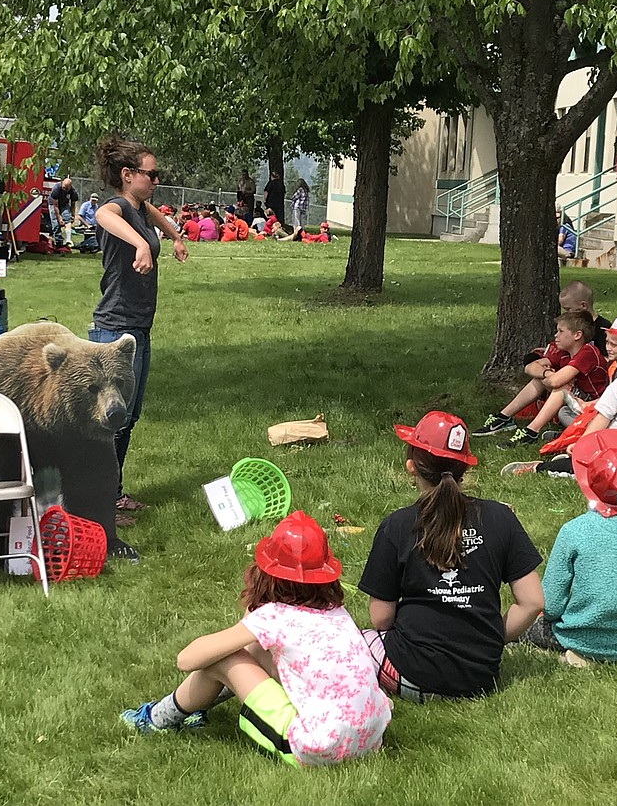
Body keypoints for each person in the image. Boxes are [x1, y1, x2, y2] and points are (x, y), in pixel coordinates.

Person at [120, 511, 392, 767]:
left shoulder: (274, 616)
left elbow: (187, 659)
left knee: (225, 658)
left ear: (267, 573)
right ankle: (197, 706)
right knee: (255, 649)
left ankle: (157, 718)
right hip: (369, 737)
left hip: (316, 747)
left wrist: (248, 621)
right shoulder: (336, 612)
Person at [358, 411, 544, 701]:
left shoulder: (397, 525)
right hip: (480, 678)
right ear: (464, 469)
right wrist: (490, 638)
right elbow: (533, 602)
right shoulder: (500, 518)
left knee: (344, 640)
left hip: (411, 674)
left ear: (411, 466)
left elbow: (381, 619)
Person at [90, 135, 188, 529]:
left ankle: (111, 493)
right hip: (115, 329)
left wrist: (176, 237)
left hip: (138, 328)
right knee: (111, 418)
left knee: (129, 416)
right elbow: (102, 217)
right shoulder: (115, 208)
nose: (156, 180)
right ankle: (97, 501)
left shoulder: (140, 207)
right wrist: (140, 246)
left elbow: (156, 215)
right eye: (151, 174)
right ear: (128, 175)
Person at [520, 430, 617, 669]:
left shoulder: (573, 531)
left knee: (522, 631)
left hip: (575, 634)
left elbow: (550, 605)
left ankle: (580, 653)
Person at [501, 321, 617, 477]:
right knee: (591, 473)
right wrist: (582, 444)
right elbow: (601, 419)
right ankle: (538, 467)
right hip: (611, 449)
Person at [474, 309, 608, 444]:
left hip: (595, 409)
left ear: (577, 335)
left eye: (561, 331)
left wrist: (551, 377)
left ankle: (532, 431)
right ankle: (503, 418)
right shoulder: (564, 352)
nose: (556, 335)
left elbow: (556, 382)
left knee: (563, 388)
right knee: (541, 380)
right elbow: (530, 367)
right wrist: (547, 373)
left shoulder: (588, 352)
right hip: (576, 405)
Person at [560, 280, 611, 351]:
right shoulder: (571, 327)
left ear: (583, 305)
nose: (566, 313)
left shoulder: (603, 328)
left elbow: (607, 358)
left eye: (568, 309)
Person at [49, 176, 79, 247]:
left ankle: (68, 240)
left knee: (67, 219)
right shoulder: (56, 189)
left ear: (70, 187)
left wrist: (73, 215)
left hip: (64, 204)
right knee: (56, 224)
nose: (64, 189)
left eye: (66, 188)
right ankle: (58, 243)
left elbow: (73, 204)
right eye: (63, 187)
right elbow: (55, 206)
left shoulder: (73, 191)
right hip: (54, 204)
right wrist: (59, 218)